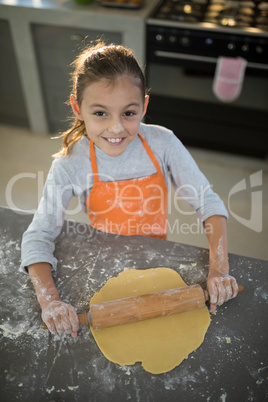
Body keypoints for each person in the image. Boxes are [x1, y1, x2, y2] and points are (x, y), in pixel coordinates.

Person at [21, 42, 238, 338]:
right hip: (103, 266)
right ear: (77, 108)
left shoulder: (163, 143)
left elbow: (209, 204)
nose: (116, 128)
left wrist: (218, 269)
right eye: (100, 113)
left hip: (157, 257)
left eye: (129, 113)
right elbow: (38, 235)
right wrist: (50, 302)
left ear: (144, 107)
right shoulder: (70, 164)